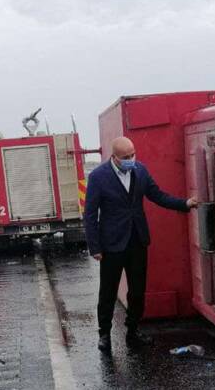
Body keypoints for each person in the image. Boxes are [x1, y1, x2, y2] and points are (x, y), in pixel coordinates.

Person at [84, 136, 198, 352]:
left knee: (137, 291)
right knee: (107, 292)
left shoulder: (140, 170)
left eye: (133, 155)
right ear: (114, 157)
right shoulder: (98, 177)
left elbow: (157, 195)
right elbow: (90, 214)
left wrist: (184, 203)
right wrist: (95, 247)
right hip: (111, 245)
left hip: (137, 240)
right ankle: (104, 334)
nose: (131, 160)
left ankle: (133, 331)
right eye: (126, 157)